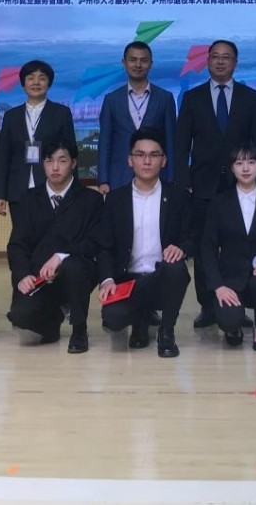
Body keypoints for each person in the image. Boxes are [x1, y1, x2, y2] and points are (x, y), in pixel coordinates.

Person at [174, 40, 256, 328]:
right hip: (201, 187)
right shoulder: (192, 98)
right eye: (215, 57)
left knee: (238, 248)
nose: (220, 61)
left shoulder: (250, 97)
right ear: (207, 62)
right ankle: (208, 306)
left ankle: (236, 302)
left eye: (226, 57)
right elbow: (181, 145)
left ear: (235, 63)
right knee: (204, 247)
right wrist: (183, 183)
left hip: (240, 186)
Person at [97, 129, 193, 358]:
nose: (147, 161)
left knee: (176, 269)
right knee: (113, 319)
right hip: (128, 281)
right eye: (140, 155)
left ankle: (166, 331)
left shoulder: (178, 197)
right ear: (130, 160)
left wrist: (181, 248)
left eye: (154, 155)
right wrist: (107, 280)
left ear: (164, 160)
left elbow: (191, 238)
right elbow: (104, 247)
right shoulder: (115, 200)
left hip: (161, 278)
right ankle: (140, 319)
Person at [6, 139, 105, 354]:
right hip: (39, 277)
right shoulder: (28, 200)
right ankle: (53, 320)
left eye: (62, 161)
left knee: (73, 266)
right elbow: (17, 245)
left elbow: (95, 242)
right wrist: (22, 275)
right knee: (20, 315)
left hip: (78, 273)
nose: (55, 167)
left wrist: (61, 256)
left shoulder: (91, 200)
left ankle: (79, 328)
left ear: (74, 163)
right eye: (49, 161)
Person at [200, 144, 256, 352]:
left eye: (251, 162)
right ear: (232, 168)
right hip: (228, 279)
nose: (246, 168)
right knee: (229, 320)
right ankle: (234, 328)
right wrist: (218, 286)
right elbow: (208, 248)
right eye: (239, 163)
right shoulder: (219, 203)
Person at [0, 60, 76, 218]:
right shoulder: (11, 116)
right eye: (31, 78)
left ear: (49, 83)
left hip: (52, 187)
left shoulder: (61, 113)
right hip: (18, 189)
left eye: (42, 78)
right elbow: (3, 156)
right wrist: (0, 194)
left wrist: (73, 191)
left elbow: (71, 153)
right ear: (23, 84)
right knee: (21, 232)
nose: (36, 82)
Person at [96, 42, 177, 195]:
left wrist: (171, 179)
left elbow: (171, 142)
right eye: (133, 60)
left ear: (151, 64)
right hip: (119, 177)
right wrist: (103, 180)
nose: (138, 65)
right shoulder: (111, 100)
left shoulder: (165, 98)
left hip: (157, 176)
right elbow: (105, 142)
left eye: (143, 60)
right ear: (124, 63)